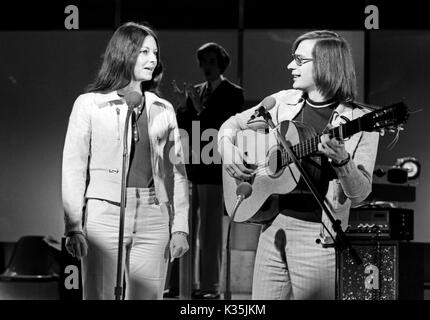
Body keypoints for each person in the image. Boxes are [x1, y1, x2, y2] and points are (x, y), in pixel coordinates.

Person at [218, 30, 379, 299]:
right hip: (272, 226)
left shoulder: (360, 121)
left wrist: (343, 162)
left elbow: (360, 195)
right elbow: (232, 124)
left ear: (326, 64)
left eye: (300, 60)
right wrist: (226, 148)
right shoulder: (282, 102)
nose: (290, 66)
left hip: (318, 236)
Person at [61, 22, 189, 300]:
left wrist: (180, 226)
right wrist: (73, 226)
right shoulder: (89, 104)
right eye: (144, 51)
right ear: (124, 52)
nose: (152, 59)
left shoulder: (163, 108)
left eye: (155, 52)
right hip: (104, 212)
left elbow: (177, 172)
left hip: (154, 214)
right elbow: (73, 167)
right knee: (99, 294)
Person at [167, 42, 244, 299]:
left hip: (213, 170)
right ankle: (179, 284)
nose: (206, 67)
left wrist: (199, 109)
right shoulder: (195, 91)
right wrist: (181, 106)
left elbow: (224, 129)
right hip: (192, 168)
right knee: (183, 227)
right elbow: (185, 129)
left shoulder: (233, 92)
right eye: (203, 62)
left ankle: (209, 288)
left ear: (221, 63)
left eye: (211, 61)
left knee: (210, 232)